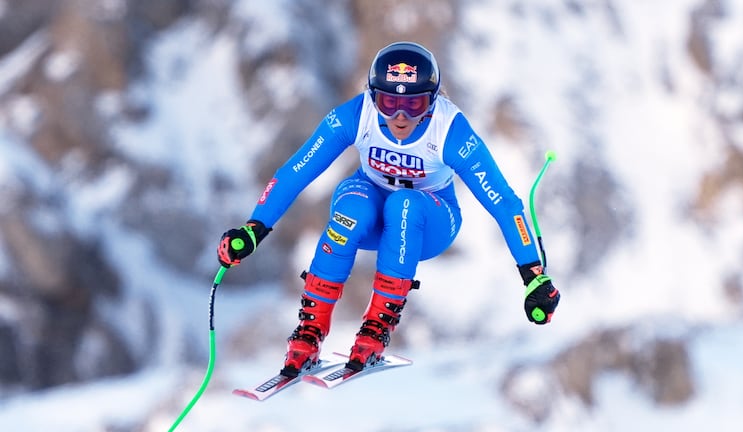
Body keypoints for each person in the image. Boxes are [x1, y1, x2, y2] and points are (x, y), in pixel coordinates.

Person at [217, 41, 560, 376]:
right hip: (371, 217)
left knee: (404, 203)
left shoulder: (449, 131)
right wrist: (254, 229)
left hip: (431, 224)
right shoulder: (356, 114)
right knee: (350, 203)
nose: (399, 116)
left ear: (433, 100)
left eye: (413, 106)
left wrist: (533, 276)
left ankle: (376, 327)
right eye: (388, 102)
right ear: (372, 96)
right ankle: (309, 332)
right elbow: (295, 172)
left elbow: (503, 202)